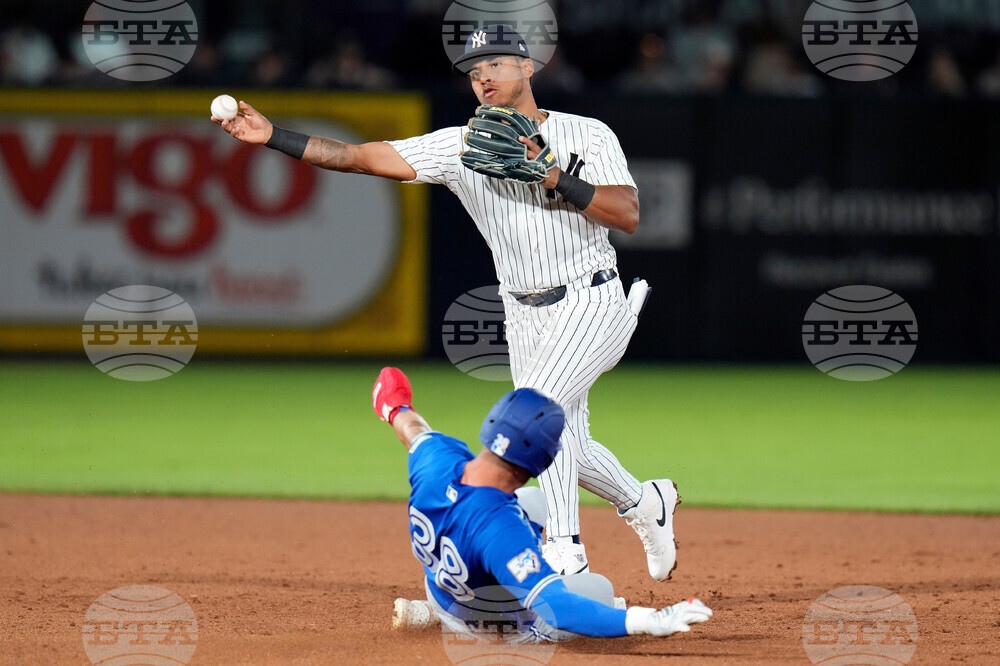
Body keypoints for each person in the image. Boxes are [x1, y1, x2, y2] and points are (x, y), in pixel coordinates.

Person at [214, 25, 679, 581]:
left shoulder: (588, 133)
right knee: (567, 441)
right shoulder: (459, 147)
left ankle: (566, 550)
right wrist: (272, 137)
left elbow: (627, 214)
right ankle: (643, 502)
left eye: (496, 65)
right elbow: (358, 156)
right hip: (522, 313)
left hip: (593, 297)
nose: (483, 77)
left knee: (533, 413)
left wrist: (552, 175)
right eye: (474, 70)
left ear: (528, 68)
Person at [370, 366, 712, 641]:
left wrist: (394, 403)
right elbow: (559, 608)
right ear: (537, 463)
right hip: (486, 622)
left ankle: (451, 603)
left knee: (533, 502)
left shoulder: (437, 457)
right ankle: (457, 621)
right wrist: (649, 619)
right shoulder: (501, 530)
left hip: (441, 583)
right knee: (600, 592)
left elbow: (410, 425)